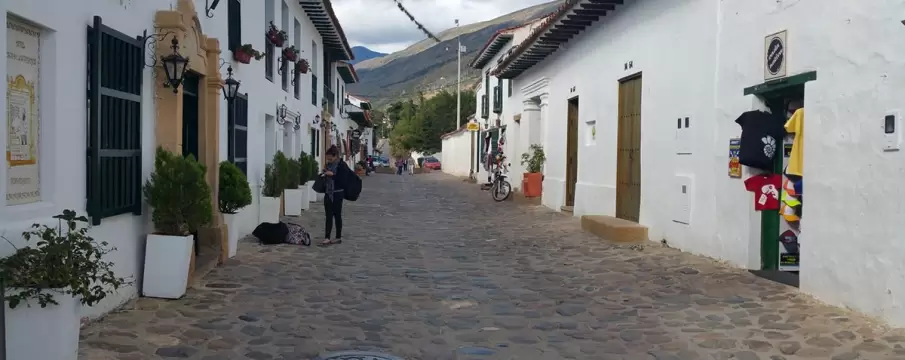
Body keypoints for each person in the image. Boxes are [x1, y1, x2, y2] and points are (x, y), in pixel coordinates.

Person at [318, 145, 352, 247]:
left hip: (338, 193)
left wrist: (332, 175)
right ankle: (327, 237)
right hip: (328, 193)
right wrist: (324, 174)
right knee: (328, 216)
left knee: (337, 215)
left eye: (330, 158)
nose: (329, 160)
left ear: (335, 156)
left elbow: (343, 180)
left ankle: (338, 237)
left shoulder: (342, 165)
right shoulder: (328, 165)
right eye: (328, 158)